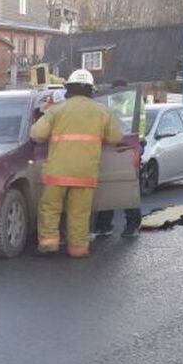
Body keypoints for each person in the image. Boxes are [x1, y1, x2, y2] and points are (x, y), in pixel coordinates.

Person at [30, 69, 122, 258]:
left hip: (57, 172)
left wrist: (45, 113)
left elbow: (37, 135)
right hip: (85, 173)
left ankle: (48, 246)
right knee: (79, 213)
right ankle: (78, 250)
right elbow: (115, 138)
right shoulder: (102, 112)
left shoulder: (56, 110)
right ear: (91, 89)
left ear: (68, 88)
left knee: (50, 209)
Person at [94, 79, 142, 238]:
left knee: (126, 186)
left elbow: (136, 127)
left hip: (127, 146)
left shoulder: (132, 102)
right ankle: (105, 224)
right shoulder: (113, 103)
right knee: (111, 185)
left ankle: (132, 224)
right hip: (116, 145)